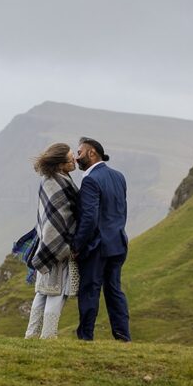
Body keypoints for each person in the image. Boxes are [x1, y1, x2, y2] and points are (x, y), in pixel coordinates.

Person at [70, 136, 131, 341]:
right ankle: (123, 335)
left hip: (97, 247)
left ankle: (85, 337)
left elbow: (89, 218)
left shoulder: (90, 180)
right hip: (118, 244)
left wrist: (77, 245)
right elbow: (120, 210)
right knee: (114, 291)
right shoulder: (119, 176)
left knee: (90, 291)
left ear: (92, 153)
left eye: (79, 153)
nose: (76, 157)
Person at [24, 142, 80, 339]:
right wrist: (64, 247)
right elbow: (58, 219)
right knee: (56, 293)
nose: (75, 160)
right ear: (60, 163)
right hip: (57, 246)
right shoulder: (58, 182)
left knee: (41, 292)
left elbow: (49, 218)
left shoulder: (51, 179)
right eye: (71, 158)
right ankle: (48, 335)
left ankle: (31, 335)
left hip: (45, 246)